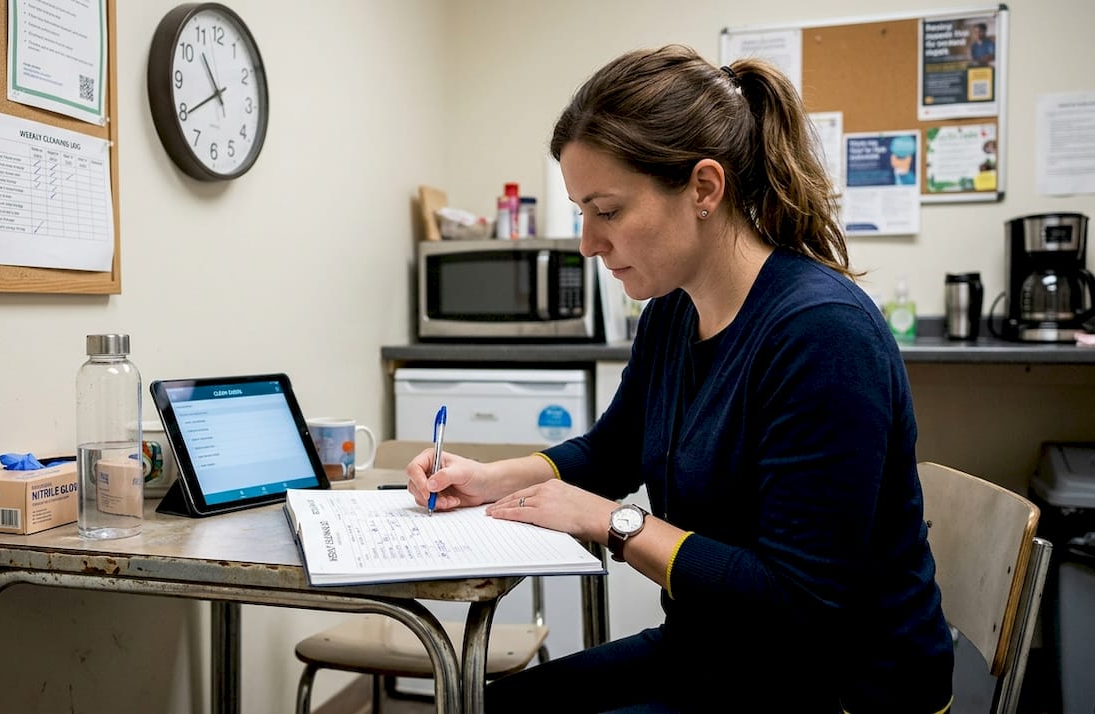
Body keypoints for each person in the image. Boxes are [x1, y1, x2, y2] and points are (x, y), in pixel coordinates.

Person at [404, 44, 953, 713]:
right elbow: (611, 452)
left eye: (606, 210)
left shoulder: (822, 335)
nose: (587, 243)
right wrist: (491, 479)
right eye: (582, 211)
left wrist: (614, 521)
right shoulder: (671, 313)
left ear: (703, 188)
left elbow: (797, 598)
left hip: (837, 683)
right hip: (718, 652)